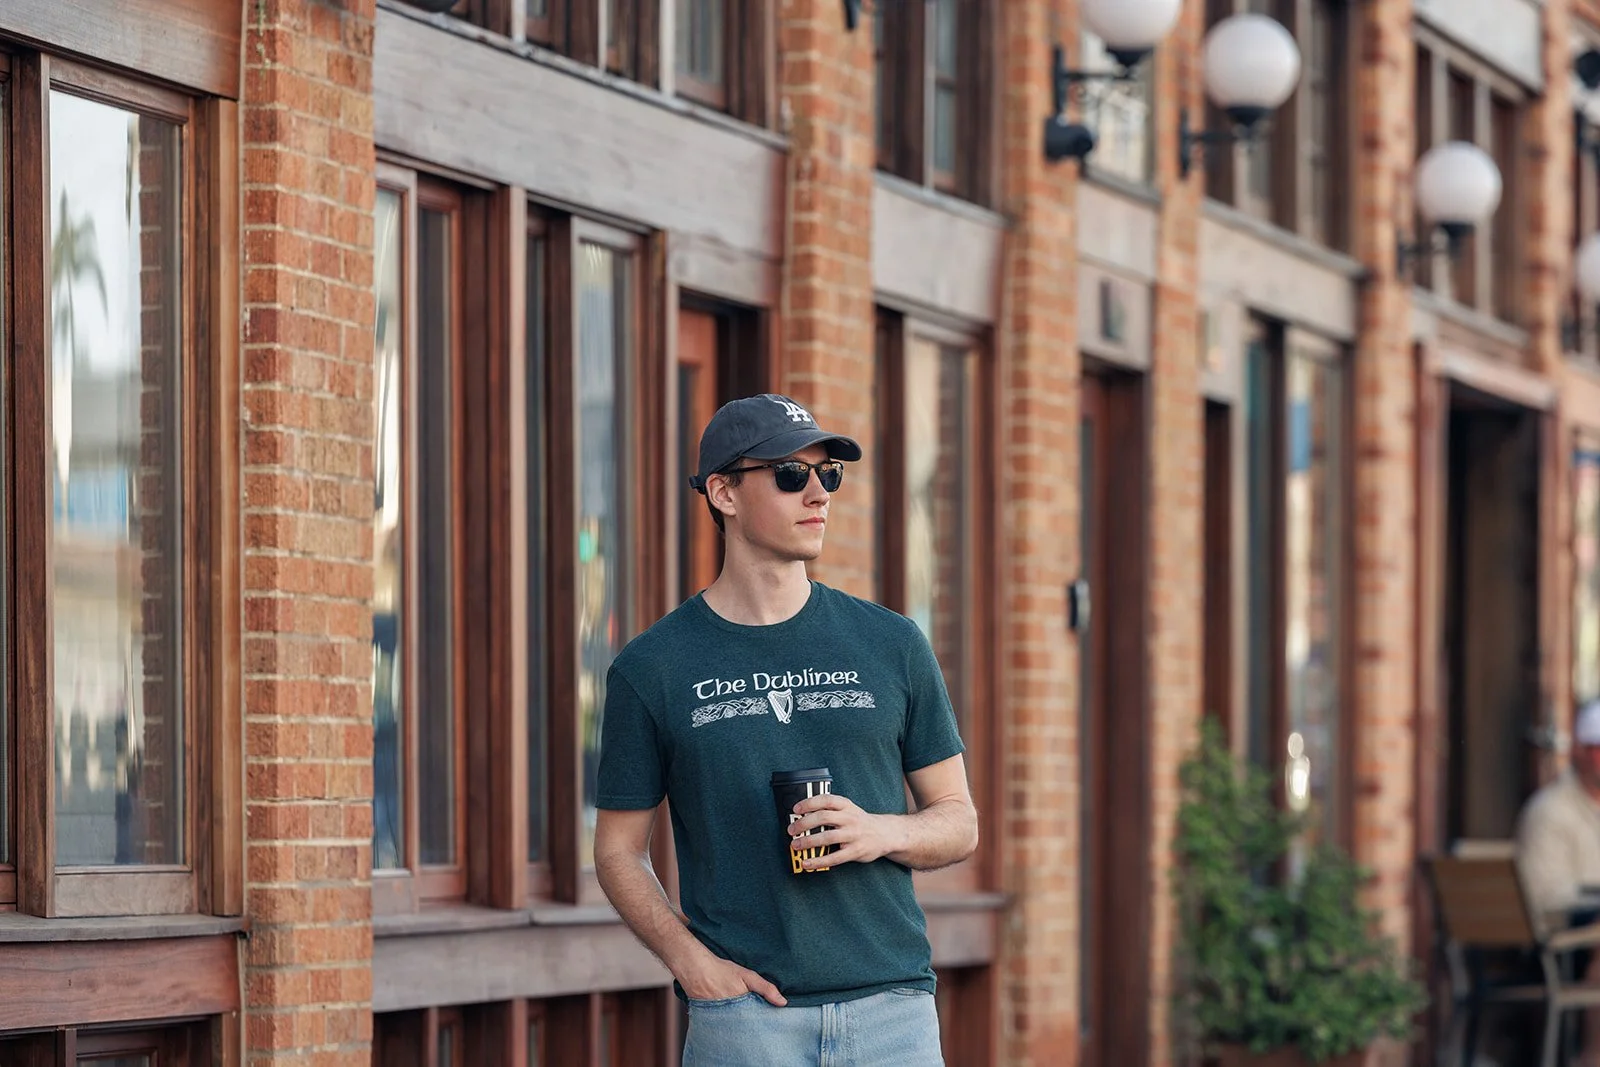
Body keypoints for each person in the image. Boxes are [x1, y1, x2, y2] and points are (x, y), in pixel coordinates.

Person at [593, 393, 978, 1067]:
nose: (818, 493)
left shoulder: (890, 643)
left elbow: (959, 820)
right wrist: (693, 964)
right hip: (745, 1022)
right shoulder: (653, 667)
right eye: (791, 475)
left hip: (894, 1016)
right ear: (725, 492)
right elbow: (619, 850)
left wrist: (879, 829)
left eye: (827, 474)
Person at [1516, 700, 1600, 925]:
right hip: (1568, 939)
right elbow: (1545, 895)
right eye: (1598, 749)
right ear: (1579, 750)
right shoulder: (1549, 811)